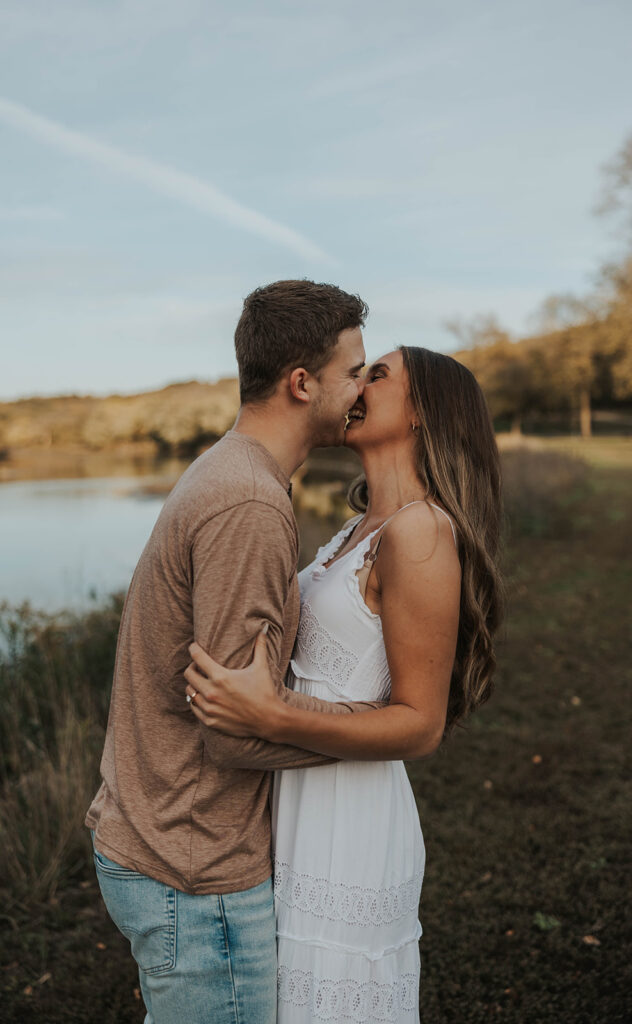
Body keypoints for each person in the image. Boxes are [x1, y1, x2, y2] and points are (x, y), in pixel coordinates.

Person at [85, 279, 393, 1024]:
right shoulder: (249, 505)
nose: (361, 387)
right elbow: (233, 731)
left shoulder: (231, 472)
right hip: (194, 872)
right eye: (353, 370)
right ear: (299, 383)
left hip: (165, 845)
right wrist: (381, 739)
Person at [185, 346, 504, 1023]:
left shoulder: (419, 532)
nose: (357, 385)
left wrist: (270, 716)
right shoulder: (356, 530)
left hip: (349, 819)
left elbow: (419, 723)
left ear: (423, 415)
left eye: (377, 374)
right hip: (295, 798)